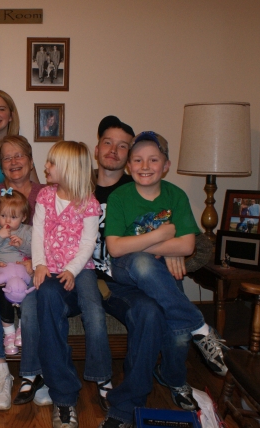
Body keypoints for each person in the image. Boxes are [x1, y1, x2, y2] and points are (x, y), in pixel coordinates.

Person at [105, 132, 228, 404]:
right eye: (137, 160)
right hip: (126, 271)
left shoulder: (176, 195)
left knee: (179, 337)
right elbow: (114, 248)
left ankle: (174, 378)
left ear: (166, 165)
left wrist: (140, 244)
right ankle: (199, 325)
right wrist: (162, 236)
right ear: (129, 166)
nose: (145, 166)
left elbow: (186, 247)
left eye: (153, 160)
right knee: (141, 262)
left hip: (163, 275)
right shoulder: (120, 197)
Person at [0, 135, 48, 411]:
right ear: (1, 165)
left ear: (30, 159)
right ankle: (0, 372)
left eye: (20, 156)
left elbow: (53, 240)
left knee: (40, 295)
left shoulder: (46, 193)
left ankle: (35, 374)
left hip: (33, 269)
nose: (14, 162)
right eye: (7, 157)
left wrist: (36, 263)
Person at [33, 140, 105, 428]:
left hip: (81, 270)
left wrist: (73, 270)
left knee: (95, 312)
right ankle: (63, 395)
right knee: (46, 300)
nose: (46, 167)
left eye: (52, 163)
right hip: (48, 270)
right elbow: (37, 233)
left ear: (70, 169)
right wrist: (39, 263)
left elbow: (89, 242)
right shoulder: (44, 196)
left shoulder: (90, 203)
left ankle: (102, 376)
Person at [0, 188, 32, 355]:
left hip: (24, 274)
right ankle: (9, 334)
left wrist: (22, 245)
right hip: (3, 274)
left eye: (14, 217)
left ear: (24, 217)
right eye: (3, 216)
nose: (7, 221)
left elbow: (36, 251)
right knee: (3, 300)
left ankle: (22, 329)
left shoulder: (28, 231)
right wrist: (0, 236)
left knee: (28, 300)